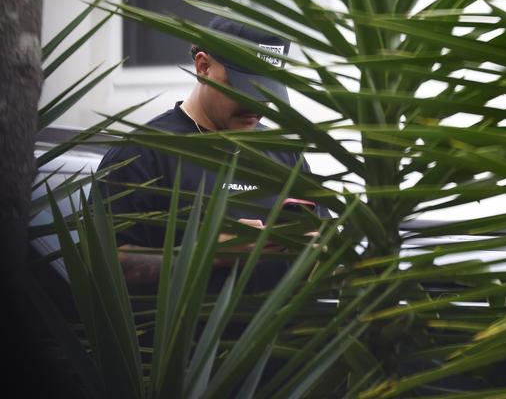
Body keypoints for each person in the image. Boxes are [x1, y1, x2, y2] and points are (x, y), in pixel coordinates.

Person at [93, 16, 329, 293]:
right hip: (182, 337)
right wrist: (212, 252)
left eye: (268, 92)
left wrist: (316, 252)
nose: (257, 106)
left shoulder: (285, 154)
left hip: (277, 335)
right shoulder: (142, 154)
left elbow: (323, 251)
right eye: (245, 89)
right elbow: (103, 266)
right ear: (203, 66)